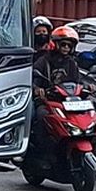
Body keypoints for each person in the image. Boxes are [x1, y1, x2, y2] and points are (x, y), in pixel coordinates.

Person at [30, 26, 82, 158]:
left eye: (69, 45)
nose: (66, 48)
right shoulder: (44, 61)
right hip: (47, 100)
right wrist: (37, 89)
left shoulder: (72, 63)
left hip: (67, 102)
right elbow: (33, 78)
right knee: (42, 115)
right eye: (63, 44)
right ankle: (41, 152)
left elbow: (78, 82)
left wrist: (88, 88)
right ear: (56, 44)